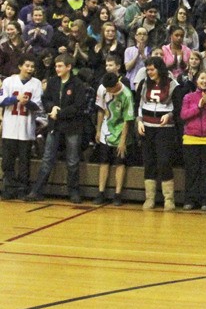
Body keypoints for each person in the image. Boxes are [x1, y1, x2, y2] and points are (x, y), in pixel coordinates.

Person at [25, 53, 87, 203]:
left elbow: (79, 107)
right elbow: (45, 99)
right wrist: (51, 107)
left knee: (72, 160)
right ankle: (37, 191)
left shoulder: (78, 84)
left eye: (60, 66)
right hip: (55, 126)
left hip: (72, 127)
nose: (57, 68)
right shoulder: (53, 82)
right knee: (47, 158)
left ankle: (73, 191)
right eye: (56, 66)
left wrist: (59, 113)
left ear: (69, 67)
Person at [136, 56, 179, 211]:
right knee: (149, 161)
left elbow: (178, 107)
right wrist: (139, 120)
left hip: (165, 129)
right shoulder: (144, 84)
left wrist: (169, 115)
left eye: (152, 69)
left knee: (164, 161)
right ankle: (150, 198)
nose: (149, 72)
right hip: (147, 127)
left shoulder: (172, 84)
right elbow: (139, 104)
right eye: (147, 69)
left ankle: (169, 199)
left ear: (160, 69)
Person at [0, 53, 43, 199]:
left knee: (25, 162)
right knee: (7, 162)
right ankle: (8, 188)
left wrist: (27, 103)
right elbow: (1, 100)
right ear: (20, 66)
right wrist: (15, 99)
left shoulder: (36, 83)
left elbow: (38, 105)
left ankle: (22, 189)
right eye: (27, 65)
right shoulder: (9, 82)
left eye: (32, 66)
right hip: (9, 129)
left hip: (26, 129)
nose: (30, 69)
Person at [180, 69, 206, 211]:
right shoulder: (188, 97)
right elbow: (184, 115)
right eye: (202, 78)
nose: (204, 81)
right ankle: (190, 200)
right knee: (192, 171)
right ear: (197, 80)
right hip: (191, 138)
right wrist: (199, 105)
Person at [93, 72, 135, 206]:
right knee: (104, 162)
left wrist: (123, 141)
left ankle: (117, 194)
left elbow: (127, 121)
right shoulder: (102, 89)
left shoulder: (126, 95)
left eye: (109, 89)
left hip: (121, 132)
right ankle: (101, 192)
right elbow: (100, 109)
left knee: (120, 163)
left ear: (116, 84)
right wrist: (98, 130)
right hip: (106, 130)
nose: (107, 91)